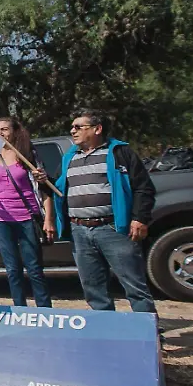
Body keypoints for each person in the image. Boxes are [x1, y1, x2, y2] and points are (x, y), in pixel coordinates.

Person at [35, 109, 157, 315]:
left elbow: (143, 188)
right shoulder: (69, 158)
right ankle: (105, 336)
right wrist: (44, 181)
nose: (72, 131)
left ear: (97, 129)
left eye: (78, 127)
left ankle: (151, 338)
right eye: (72, 127)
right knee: (93, 289)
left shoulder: (119, 153)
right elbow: (58, 188)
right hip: (79, 231)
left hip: (113, 229)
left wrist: (139, 218)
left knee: (134, 286)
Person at [0, 117, 54, 307]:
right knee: (12, 269)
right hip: (0, 218)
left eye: (4, 129)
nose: (0, 133)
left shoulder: (27, 153)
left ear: (15, 131)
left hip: (27, 217)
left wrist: (48, 219)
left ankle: (44, 310)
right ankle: (20, 309)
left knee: (34, 268)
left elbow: (45, 189)